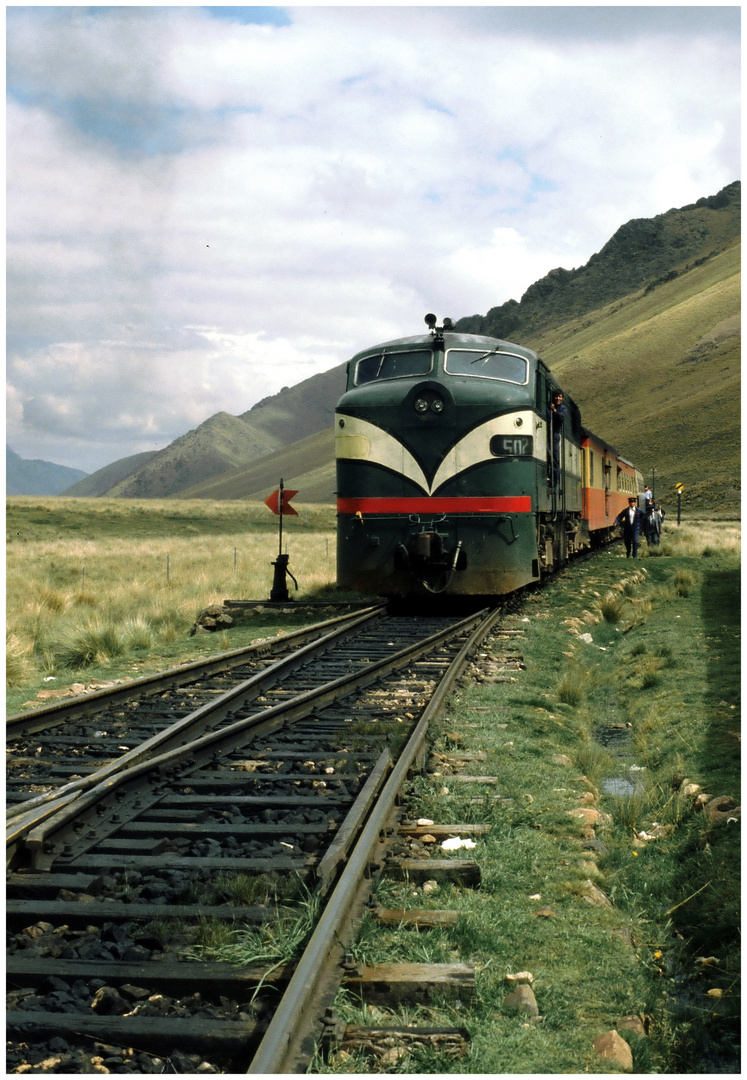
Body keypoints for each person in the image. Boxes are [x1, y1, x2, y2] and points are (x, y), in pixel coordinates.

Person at [547, 389, 567, 486]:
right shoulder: (548, 406)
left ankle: (554, 481)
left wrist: (554, 411)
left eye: (559, 396)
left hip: (555, 434)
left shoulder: (563, 409)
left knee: (554, 457)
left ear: (562, 398)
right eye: (556, 396)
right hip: (547, 431)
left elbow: (561, 418)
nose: (558, 398)